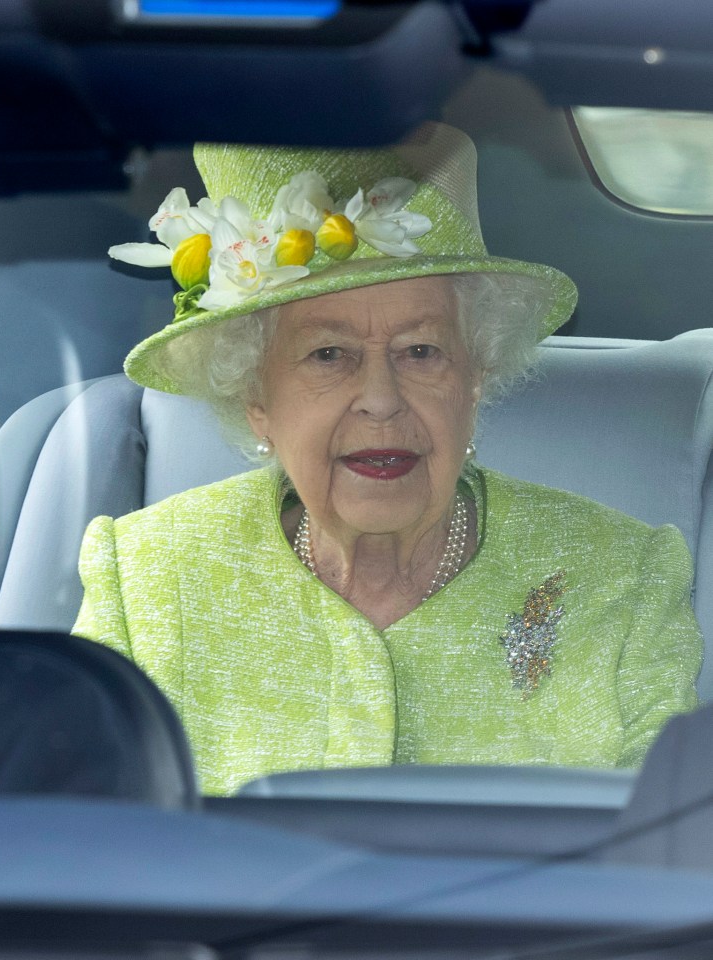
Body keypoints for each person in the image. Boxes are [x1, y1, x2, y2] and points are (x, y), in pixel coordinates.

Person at [73, 122, 702, 797]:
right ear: (256, 397)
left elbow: (666, 858)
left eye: (421, 352)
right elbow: (82, 849)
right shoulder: (146, 576)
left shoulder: (623, 577)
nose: (380, 400)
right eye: (327, 354)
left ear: (475, 379)